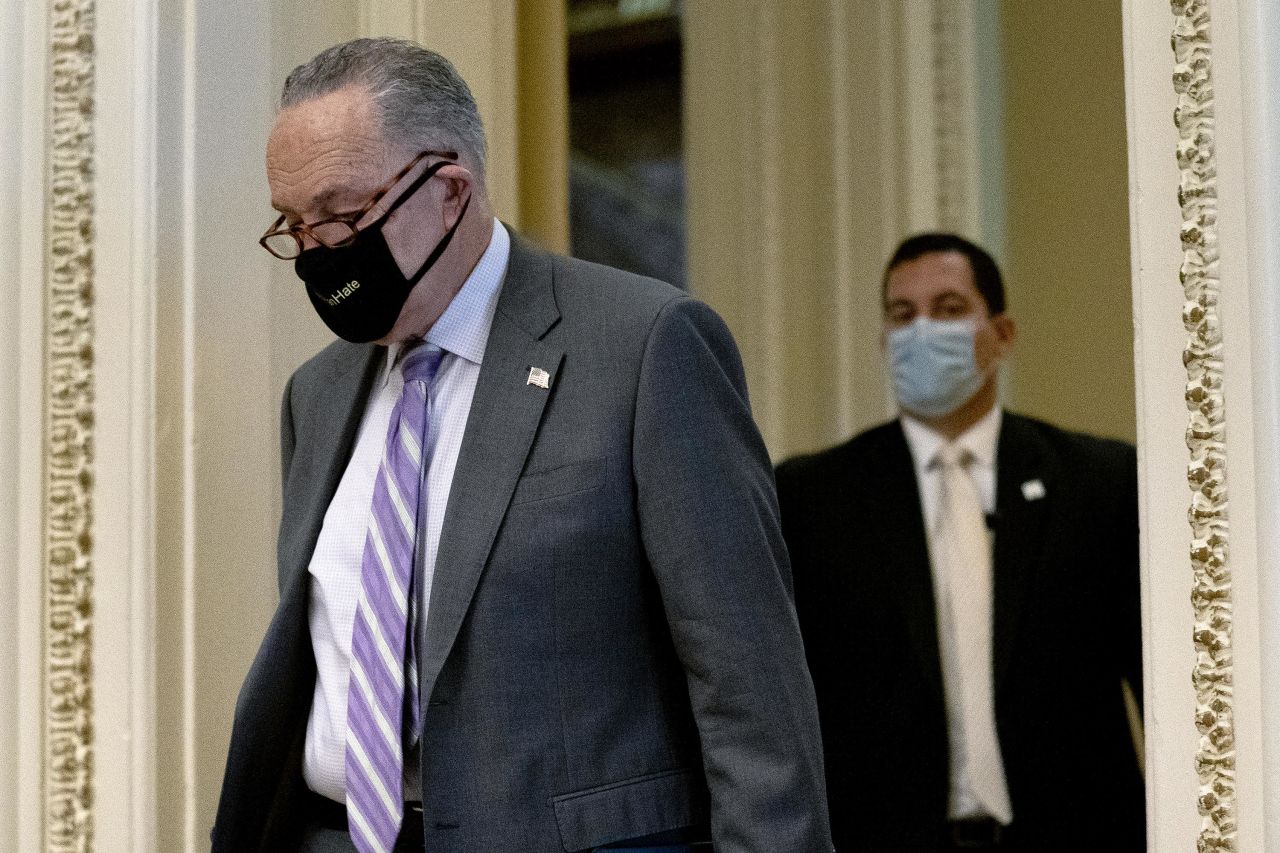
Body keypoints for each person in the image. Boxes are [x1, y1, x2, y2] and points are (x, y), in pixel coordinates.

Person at [211, 38, 832, 853]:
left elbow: (750, 691)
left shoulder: (645, 347)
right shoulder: (318, 394)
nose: (321, 253)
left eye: (344, 217)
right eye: (296, 227)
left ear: (451, 191)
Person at [775, 233, 1144, 852]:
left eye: (948, 310)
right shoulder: (812, 497)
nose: (921, 331)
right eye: (901, 316)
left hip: (1077, 833)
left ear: (1001, 334)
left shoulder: (1100, 482)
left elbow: (1156, 674)